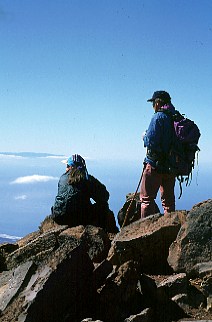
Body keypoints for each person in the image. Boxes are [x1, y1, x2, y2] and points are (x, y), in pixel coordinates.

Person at [51, 154, 118, 232]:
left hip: (58, 217)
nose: (66, 168)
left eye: (67, 165)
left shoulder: (62, 178)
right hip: (77, 218)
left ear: (70, 167)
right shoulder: (87, 179)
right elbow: (104, 197)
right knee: (103, 206)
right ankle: (103, 233)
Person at [140, 90, 176, 218]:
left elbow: (151, 141)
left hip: (155, 165)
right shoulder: (175, 116)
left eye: (153, 103)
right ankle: (170, 228)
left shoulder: (158, 117)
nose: (153, 106)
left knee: (146, 200)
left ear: (158, 102)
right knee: (168, 203)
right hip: (171, 166)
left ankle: (143, 232)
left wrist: (144, 136)